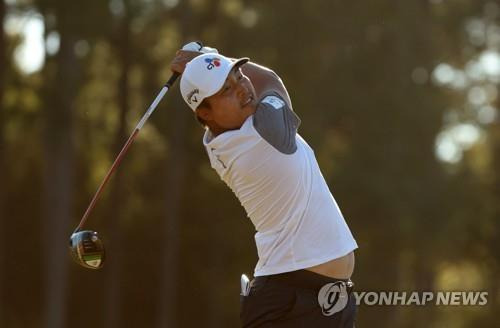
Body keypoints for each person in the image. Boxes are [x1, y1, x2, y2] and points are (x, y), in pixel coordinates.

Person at [170, 46, 358, 327]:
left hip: (322, 297)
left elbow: (250, 86)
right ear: (205, 113)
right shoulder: (264, 131)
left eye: (238, 75)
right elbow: (271, 81)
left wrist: (208, 64)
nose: (243, 89)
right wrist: (214, 54)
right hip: (291, 299)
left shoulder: (217, 140)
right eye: (225, 90)